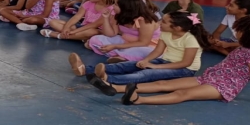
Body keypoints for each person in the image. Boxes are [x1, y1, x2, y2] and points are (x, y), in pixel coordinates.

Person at [118, 26, 250, 106]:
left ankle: (139, 100)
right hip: (210, 77)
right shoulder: (242, 48)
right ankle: (116, 88)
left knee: (182, 94)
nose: (238, 35)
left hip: (224, 86)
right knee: (163, 83)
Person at [72, 12, 209, 93]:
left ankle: (108, 79)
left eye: (164, 22)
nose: (160, 23)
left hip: (184, 69)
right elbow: (158, 50)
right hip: (165, 61)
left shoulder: (191, 39)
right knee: (130, 65)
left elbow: (186, 63)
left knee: (146, 73)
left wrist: (155, 66)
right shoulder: (166, 33)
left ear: (177, 27)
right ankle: (86, 69)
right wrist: (146, 60)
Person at [86, 0, 161, 63]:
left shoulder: (144, 21)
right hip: (125, 41)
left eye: (115, 4)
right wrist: (106, 18)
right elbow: (111, 34)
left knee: (142, 51)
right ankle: (122, 55)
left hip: (147, 46)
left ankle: (120, 54)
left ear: (125, 8)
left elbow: (144, 43)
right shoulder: (118, 15)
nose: (112, 6)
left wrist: (115, 46)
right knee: (95, 39)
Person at [41, 0, 115, 41]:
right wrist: (66, 28)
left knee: (92, 32)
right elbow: (77, 16)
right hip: (83, 26)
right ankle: (79, 37)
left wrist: (75, 31)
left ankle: (60, 36)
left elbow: (94, 25)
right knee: (52, 22)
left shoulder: (110, 9)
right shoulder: (88, 3)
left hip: (97, 30)